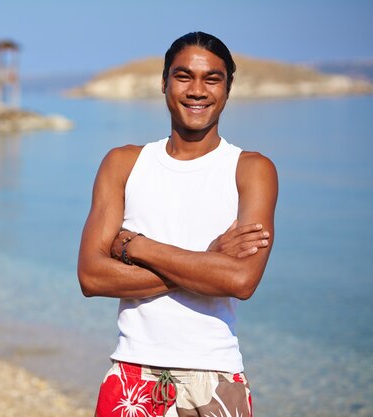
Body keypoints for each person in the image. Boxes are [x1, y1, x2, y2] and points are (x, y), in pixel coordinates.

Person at [77, 32, 278, 417]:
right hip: (131, 377)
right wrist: (207, 262)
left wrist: (135, 246)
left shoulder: (251, 170)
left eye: (212, 78)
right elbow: (92, 277)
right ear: (164, 82)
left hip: (216, 379)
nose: (197, 90)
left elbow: (241, 281)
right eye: (184, 76)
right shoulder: (123, 163)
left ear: (228, 88)